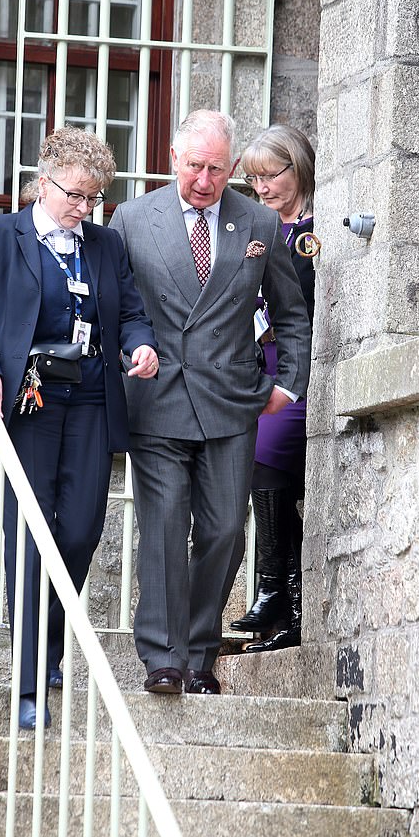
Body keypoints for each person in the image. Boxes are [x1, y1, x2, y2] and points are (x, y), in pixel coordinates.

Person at [0, 126, 158, 729]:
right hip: (31, 401)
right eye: (76, 195)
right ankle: (30, 678)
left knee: (83, 529)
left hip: (92, 397)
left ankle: (51, 642)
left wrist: (139, 348)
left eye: (95, 198)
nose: (85, 208)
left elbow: (133, 313)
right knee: (29, 536)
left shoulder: (105, 245)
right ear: (43, 183)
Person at [109, 109, 311, 695]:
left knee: (225, 531)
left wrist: (288, 382)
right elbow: (116, 306)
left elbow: (290, 313)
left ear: (231, 169)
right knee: (166, 526)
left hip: (231, 400)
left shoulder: (257, 222)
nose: (204, 180)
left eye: (217, 169)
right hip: (158, 396)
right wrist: (124, 360)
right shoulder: (132, 218)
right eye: (195, 166)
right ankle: (165, 657)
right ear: (174, 159)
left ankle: (201, 649)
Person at [230, 124, 315, 652]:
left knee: (266, 456)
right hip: (256, 366)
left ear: (299, 167)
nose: (262, 189)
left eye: (271, 176)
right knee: (262, 472)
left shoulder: (311, 229)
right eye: (254, 180)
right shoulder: (257, 226)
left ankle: (273, 593)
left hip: (296, 368)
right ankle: (286, 604)